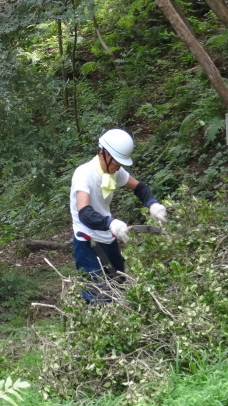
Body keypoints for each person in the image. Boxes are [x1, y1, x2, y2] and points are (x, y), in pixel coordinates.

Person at [70, 128, 166, 301]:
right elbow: (84, 212)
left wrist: (153, 204)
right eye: (116, 162)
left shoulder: (115, 171)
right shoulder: (84, 174)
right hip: (87, 241)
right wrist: (110, 222)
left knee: (119, 282)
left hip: (107, 236)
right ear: (102, 153)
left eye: (121, 164)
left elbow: (139, 187)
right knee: (98, 294)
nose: (118, 167)